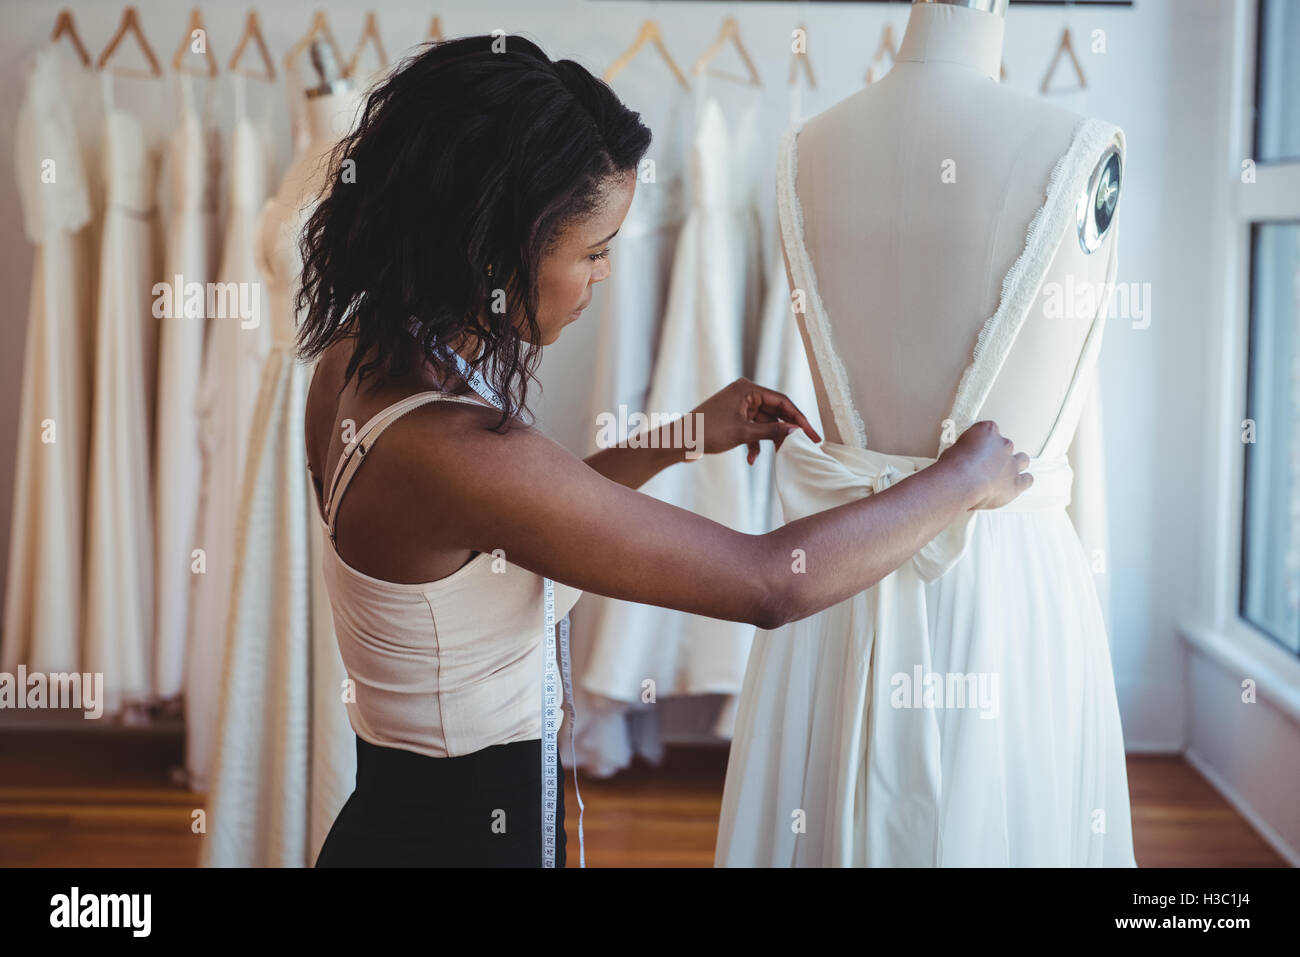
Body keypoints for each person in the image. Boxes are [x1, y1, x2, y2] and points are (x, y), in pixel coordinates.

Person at [298, 34, 1031, 867]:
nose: (603, 275)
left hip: (405, 823)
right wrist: (963, 477)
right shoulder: (450, 447)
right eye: (595, 251)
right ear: (492, 249)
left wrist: (685, 436)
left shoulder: (361, 361)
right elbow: (766, 581)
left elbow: (517, 525)